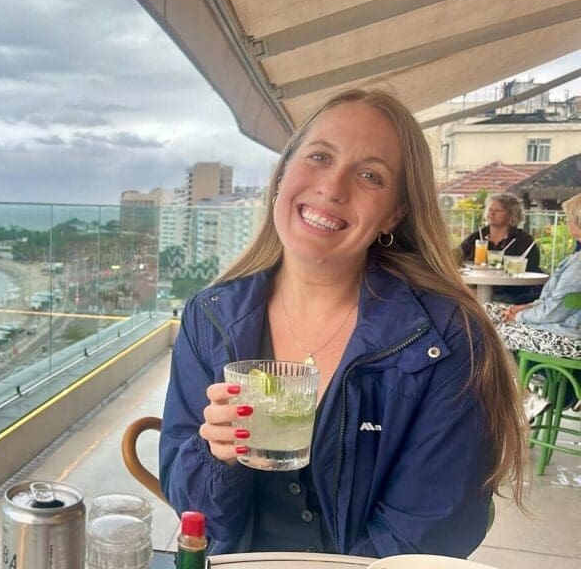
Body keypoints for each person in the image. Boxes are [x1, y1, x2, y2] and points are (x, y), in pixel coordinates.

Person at [160, 89, 527, 559]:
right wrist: (217, 459)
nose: (333, 188)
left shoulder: (448, 342)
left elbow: (425, 536)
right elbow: (196, 521)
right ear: (283, 174)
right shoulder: (209, 318)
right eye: (319, 157)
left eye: (370, 175)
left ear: (395, 213)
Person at [485, 193, 581, 405]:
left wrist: (520, 317)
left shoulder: (578, 265)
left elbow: (553, 311)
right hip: (565, 328)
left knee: (495, 330)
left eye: (568, 218)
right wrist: (525, 308)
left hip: (568, 338)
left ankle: (524, 397)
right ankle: (534, 385)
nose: (565, 222)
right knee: (487, 311)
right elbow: (558, 304)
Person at [458, 193, 541, 303]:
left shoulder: (523, 241)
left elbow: (530, 269)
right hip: (474, 289)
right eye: (490, 209)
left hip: (511, 295)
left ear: (511, 215)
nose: (492, 213)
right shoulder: (477, 238)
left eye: (498, 210)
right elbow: (457, 257)